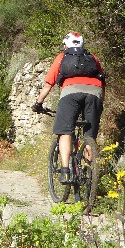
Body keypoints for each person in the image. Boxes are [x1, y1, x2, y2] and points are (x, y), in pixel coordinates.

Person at [31, 31, 105, 183]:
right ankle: (91, 175)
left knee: (65, 131)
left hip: (70, 93)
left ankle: (65, 171)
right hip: (95, 93)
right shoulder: (93, 58)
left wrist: (38, 103)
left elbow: (48, 84)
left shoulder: (62, 57)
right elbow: (102, 81)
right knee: (89, 135)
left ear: (66, 44)